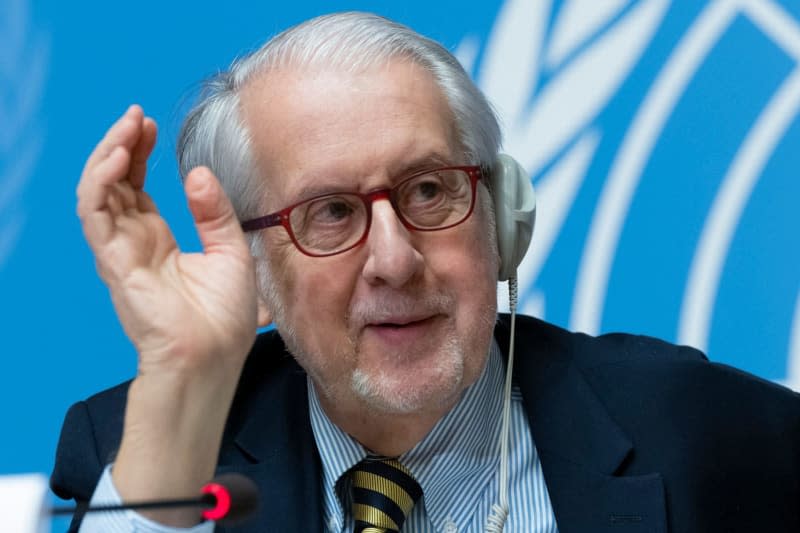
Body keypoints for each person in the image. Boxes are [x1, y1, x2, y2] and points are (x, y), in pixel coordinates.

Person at [51, 11, 800, 533]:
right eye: (332, 213)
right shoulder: (147, 454)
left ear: (502, 218)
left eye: (429, 190)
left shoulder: (699, 428)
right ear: (256, 274)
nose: (395, 259)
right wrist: (182, 382)